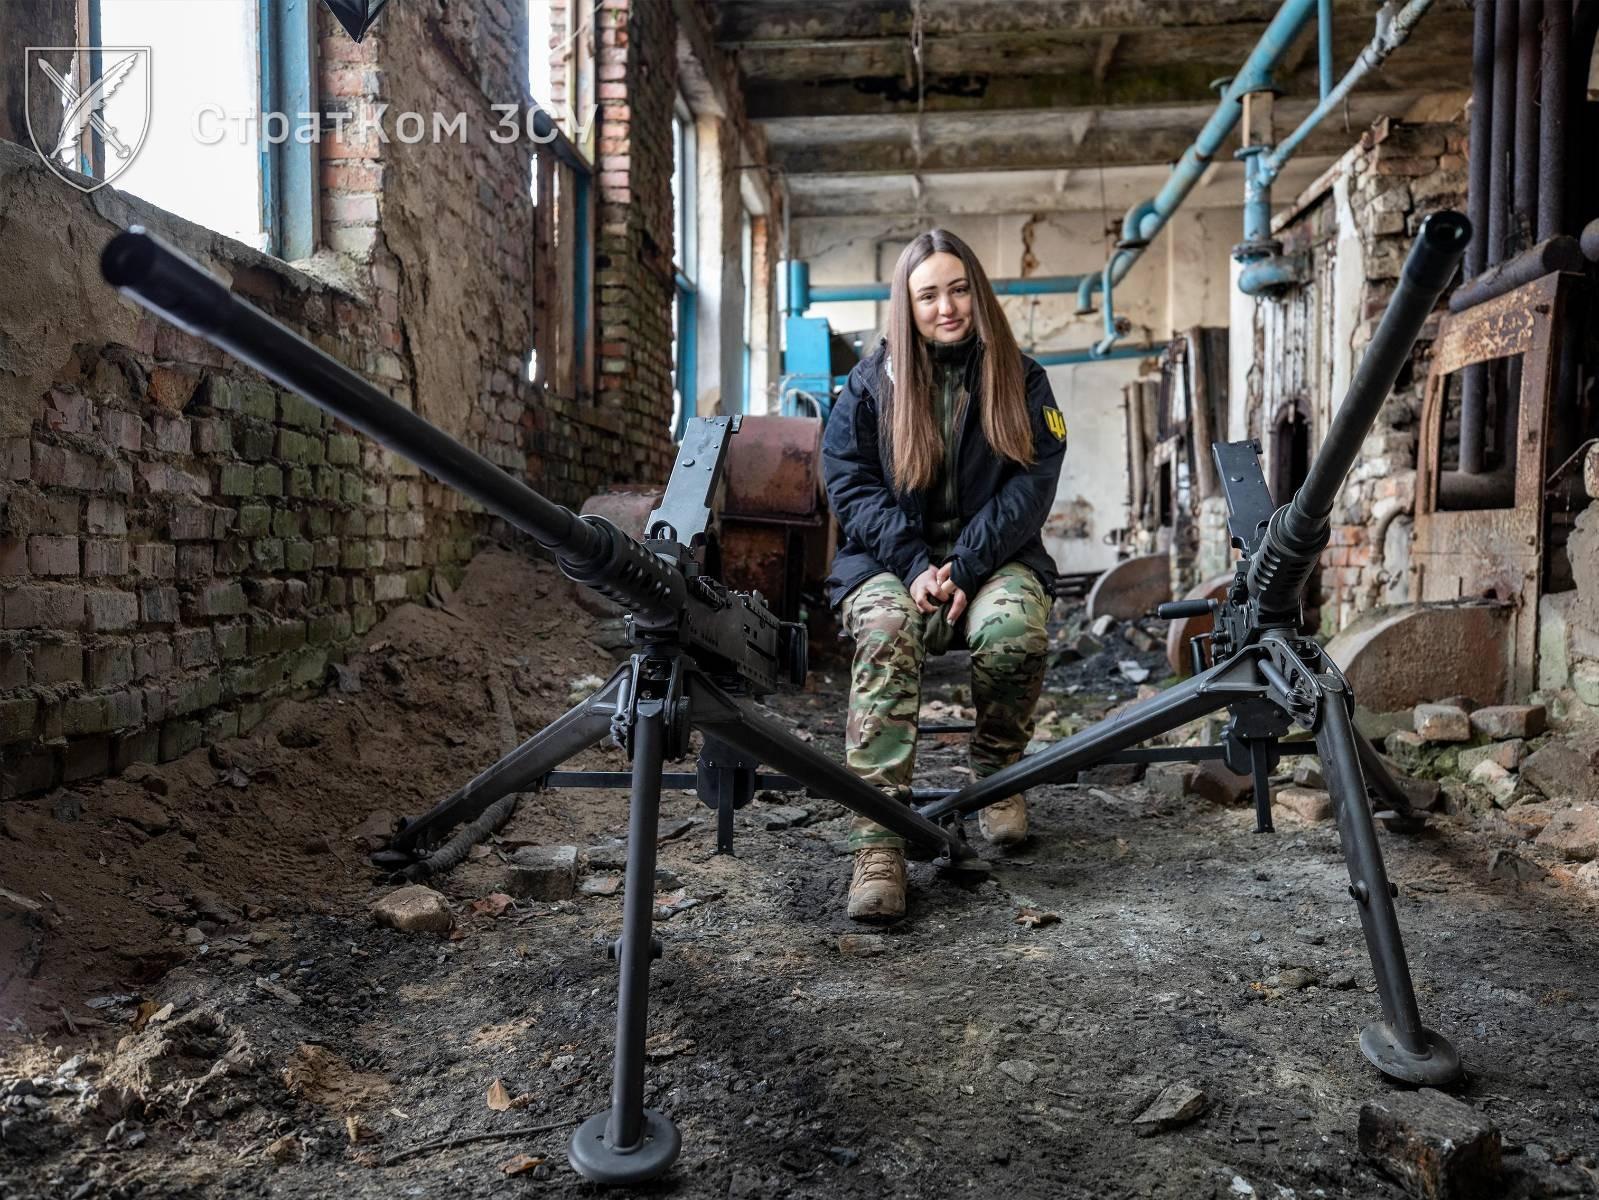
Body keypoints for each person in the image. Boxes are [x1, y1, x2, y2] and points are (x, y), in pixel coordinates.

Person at [821, 228, 1068, 923]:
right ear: (907, 302)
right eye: (928, 294)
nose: (946, 306)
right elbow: (848, 483)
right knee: (886, 630)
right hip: (888, 563)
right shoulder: (870, 383)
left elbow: (1031, 486)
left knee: (1014, 629)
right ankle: (878, 841)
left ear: (977, 291)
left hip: (993, 561)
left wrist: (965, 565)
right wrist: (911, 565)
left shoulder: (1019, 376)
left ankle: (998, 777)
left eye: (958, 288)